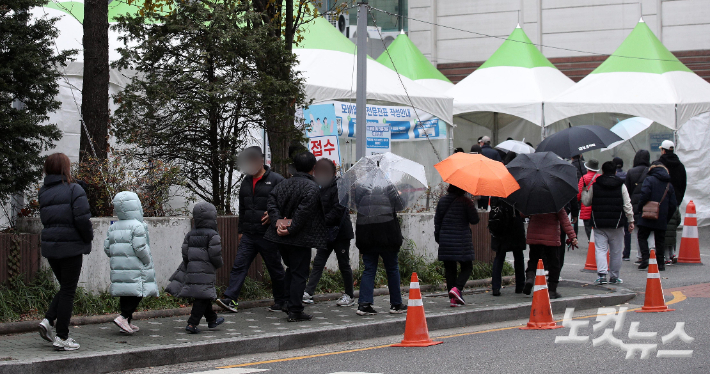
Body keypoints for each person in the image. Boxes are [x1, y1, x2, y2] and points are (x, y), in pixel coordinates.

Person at [217, 147, 287, 314]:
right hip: (249, 233)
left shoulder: (277, 180)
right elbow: (243, 207)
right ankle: (230, 298)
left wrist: (274, 215)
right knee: (239, 265)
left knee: (275, 268)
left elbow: (287, 203)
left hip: (268, 233)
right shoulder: (246, 181)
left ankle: (282, 301)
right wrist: (241, 230)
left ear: (261, 161)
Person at [37, 153, 93, 351]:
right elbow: (82, 218)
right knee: (69, 290)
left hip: (51, 247)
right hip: (71, 246)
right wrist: (88, 239)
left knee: (65, 287)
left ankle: (48, 319)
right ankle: (62, 336)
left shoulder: (43, 192)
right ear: (65, 168)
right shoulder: (74, 189)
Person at [265, 151, 327, 322]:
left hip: (280, 237)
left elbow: (271, 201)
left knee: (291, 270)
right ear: (314, 168)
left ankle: (286, 302)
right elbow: (303, 213)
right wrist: (291, 229)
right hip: (300, 237)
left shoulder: (283, 184)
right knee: (299, 273)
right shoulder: (312, 188)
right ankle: (295, 309)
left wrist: (278, 221)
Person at [104, 191, 159, 334]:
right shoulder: (138, 226)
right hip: (136, 266)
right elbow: (140, 247)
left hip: (120, 268)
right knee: (138, 293)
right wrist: (147, 261)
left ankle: (127, 322)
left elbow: (107, 248)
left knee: (126, 293)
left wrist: (117, 256)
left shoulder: (113, 226)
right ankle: (123, 317)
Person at [303, 159, 356, 307]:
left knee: (344, 264)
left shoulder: (340, 187)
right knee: (319, 262)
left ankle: (349, 295)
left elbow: (338, 210)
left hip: (340, 233)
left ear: (332, 173)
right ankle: (308, 292)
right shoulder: (321, 188)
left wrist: (321, 221)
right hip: (326, 233)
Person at [166, 202, 225, 334]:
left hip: (192, 268)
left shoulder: (190, 234)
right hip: (206, 270)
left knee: (203, 294)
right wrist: (218, 263)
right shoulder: (213, 235)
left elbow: (185, 251)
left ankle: (212, 320)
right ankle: (192, 323)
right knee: (202, 296)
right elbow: (215, 253)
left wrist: (189, 262)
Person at [354, 183, 407, 316]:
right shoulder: (389, 187)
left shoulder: (361, 188)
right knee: (392, 268)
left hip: (367, 234)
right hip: (387, 234)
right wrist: (398, 193)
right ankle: (396, 304)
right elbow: (401, 205)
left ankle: (364, 304)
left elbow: (356, 206)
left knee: (369, 269)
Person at [585, 162, 635, 285]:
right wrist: (631, 220)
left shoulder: (595, 185)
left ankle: (602, 275)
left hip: (599, 222)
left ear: (602, 171)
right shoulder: (621, 186)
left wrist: (584, 191)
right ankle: (614, 276)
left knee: (601, 249)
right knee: (616, 251)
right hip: (617, 223)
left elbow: (586, 203)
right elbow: (627, 204)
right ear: (615, 172)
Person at [434, 184, 480, 306]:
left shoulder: (442, 201)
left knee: (450, 270)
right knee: (467, 266)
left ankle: (453, 299)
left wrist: (439, 237)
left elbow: (437, 221)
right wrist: (471, 203)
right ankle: (457, 289)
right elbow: (475, 220)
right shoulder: (466, 201)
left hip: (445, 239)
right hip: (462, 241)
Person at [523, 209, 578, 299]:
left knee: (533, 260)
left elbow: (523, 214)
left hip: (535, 236)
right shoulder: (556, 203)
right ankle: (552, 290)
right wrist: (572, 236)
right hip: (551, 238)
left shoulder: (534, 201)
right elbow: (565, 221)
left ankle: (530, 278)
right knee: (554, 264)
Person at [636, 163, 678, 271]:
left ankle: (645, 258)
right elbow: (673, 204)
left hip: (648, 214)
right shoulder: (669, 184)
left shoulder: (649, 180)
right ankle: (661, 263)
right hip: (662, 216)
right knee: (660, 240)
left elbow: (644, 195)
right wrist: (666, 216)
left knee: (642, 236)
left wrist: (640, 208)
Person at [624, 149, 651, 262]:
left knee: (638, 232)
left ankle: (641, 255)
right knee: (649, 231)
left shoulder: (631, 172)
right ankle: (651, 253)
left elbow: (627, 190)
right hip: (649, 205)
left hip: (635, 205)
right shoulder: (650, 171)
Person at [577, 159, 600, 242]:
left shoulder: (584, 178)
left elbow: (579, 194)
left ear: (587, 168)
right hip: (598, 208)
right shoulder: (600, 177)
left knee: (588, 227)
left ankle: (591, 244)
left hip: (586, 207)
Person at [658, 140, 687, 205]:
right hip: (675, 201)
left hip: (661, 203)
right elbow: (683, 185)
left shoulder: (659, 165)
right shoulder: (680, 166)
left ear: (664, 151)